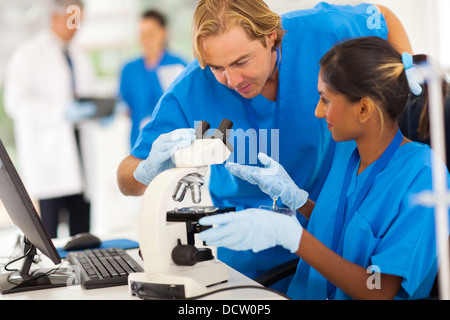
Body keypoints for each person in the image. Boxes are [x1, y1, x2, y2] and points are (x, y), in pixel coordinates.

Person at [116, 0, 412, 290]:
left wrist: (410, 82)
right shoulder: (192, 88)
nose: (232, 79)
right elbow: (126, 180)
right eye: (217, 68)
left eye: (241, 62)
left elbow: (382, 17)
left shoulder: (320, 32)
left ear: (271, 36)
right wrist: (147, 170)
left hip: (334, 235)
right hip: (248, 258)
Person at [199, 36, 449, 300]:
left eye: (325, 100)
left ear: (364, 108)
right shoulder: (346, 151)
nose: (318, 112)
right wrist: (297, 199)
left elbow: (380, 289)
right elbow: (347, 226)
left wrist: (293, 237)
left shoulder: (424, 176)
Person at [4, 0, 97, 238]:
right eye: (72, 19)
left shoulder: (80, 55)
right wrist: (60, 112)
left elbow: (86, 96)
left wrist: (99, 111)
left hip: (80, 158)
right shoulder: (28, 54)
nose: (77, 26)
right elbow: (14, 102)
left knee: (82, 238)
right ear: (55, 17)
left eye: (80, 20)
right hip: (49, 163)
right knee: (49, 239)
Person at [119, 9, 187, 148]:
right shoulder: (129, 70)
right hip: (139, 145)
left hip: (173, 145)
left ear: (163, 33)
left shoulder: (179, 66)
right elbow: (124, 105)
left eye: (150, 33)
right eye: (142, 34)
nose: (145, 39)